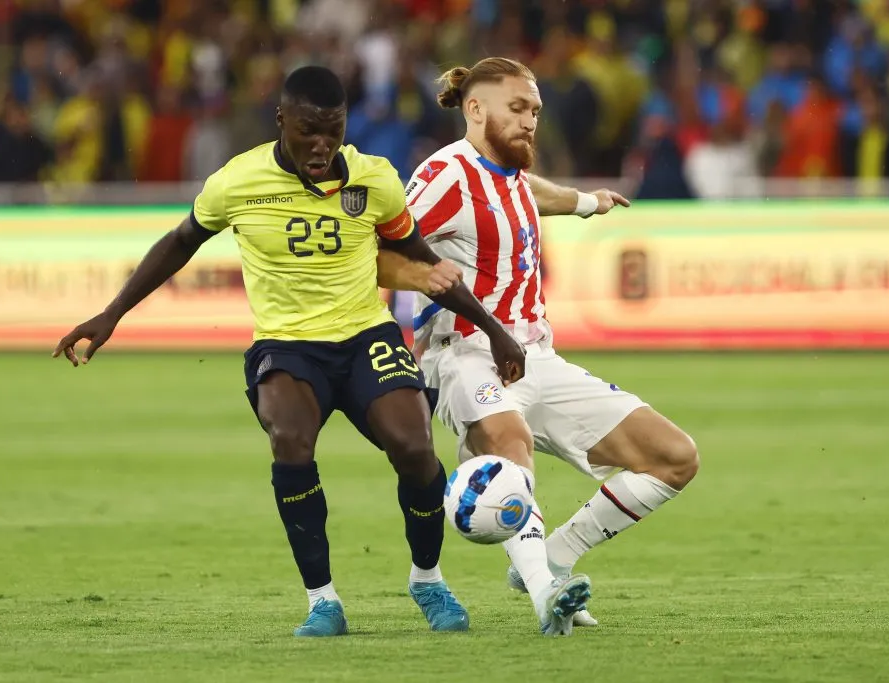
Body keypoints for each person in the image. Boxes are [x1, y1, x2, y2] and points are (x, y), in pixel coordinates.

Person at [52, 66, 532, 638]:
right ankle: (322, 600)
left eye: (333, 132)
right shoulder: (237, 181)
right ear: (282, 121)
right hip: (287, 344)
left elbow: (423, 258)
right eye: (308, 131)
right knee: (290, 441)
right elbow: (181, 241)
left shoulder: (372, 181)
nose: (322, 146)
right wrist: (111, 315)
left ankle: (427, 579)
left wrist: (495, 330)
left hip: (365, 336)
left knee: (414, 446)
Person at [405, 58, 700, 636]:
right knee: (511, 447)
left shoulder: (507, 172)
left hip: (536, 355)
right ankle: (548, 595)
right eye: (517, 109)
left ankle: (557, 554)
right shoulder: (443, 175)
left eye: (535, 111)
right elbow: (387, 242)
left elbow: (525, 191)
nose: (530, 121)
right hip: (466, 358)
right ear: (475, 109)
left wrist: (583, 202)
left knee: (675, 457)